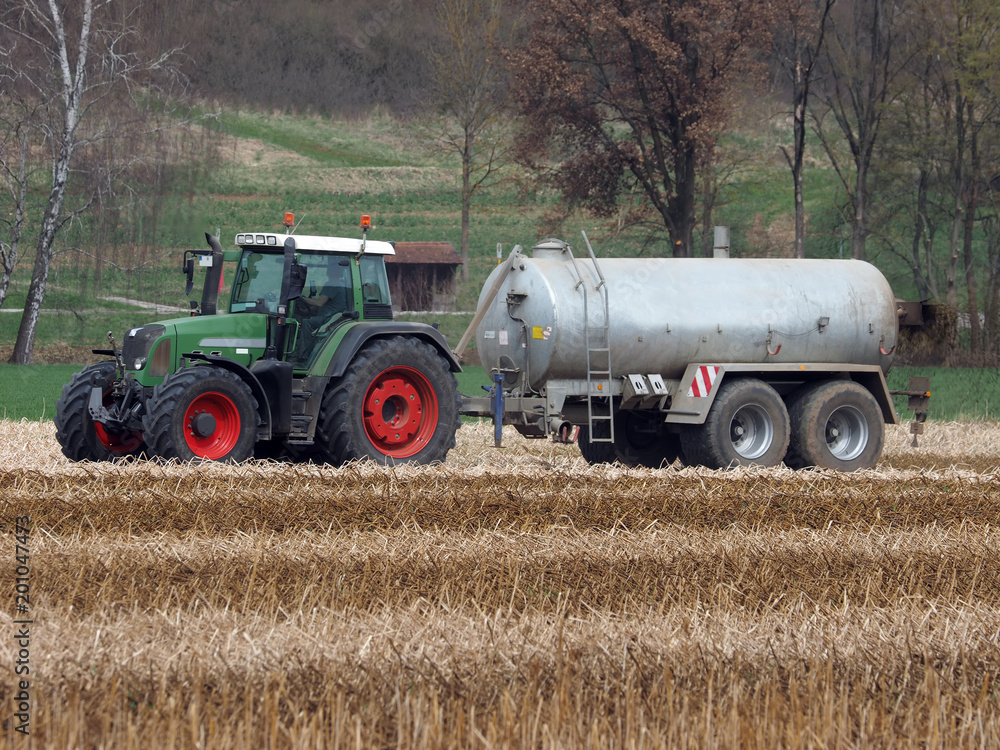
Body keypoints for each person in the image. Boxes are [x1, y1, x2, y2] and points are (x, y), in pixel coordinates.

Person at [294, 262, 352, 361]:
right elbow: (324, 304)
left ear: (328, 272)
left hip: (329, 318)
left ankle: (303, 355)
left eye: (328, 269)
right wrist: (306, 310)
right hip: (333, 315)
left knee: (307, 322)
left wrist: (301, 298)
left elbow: (319, 303)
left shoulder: (332, 284)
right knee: (308, 318)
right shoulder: (342, 284)